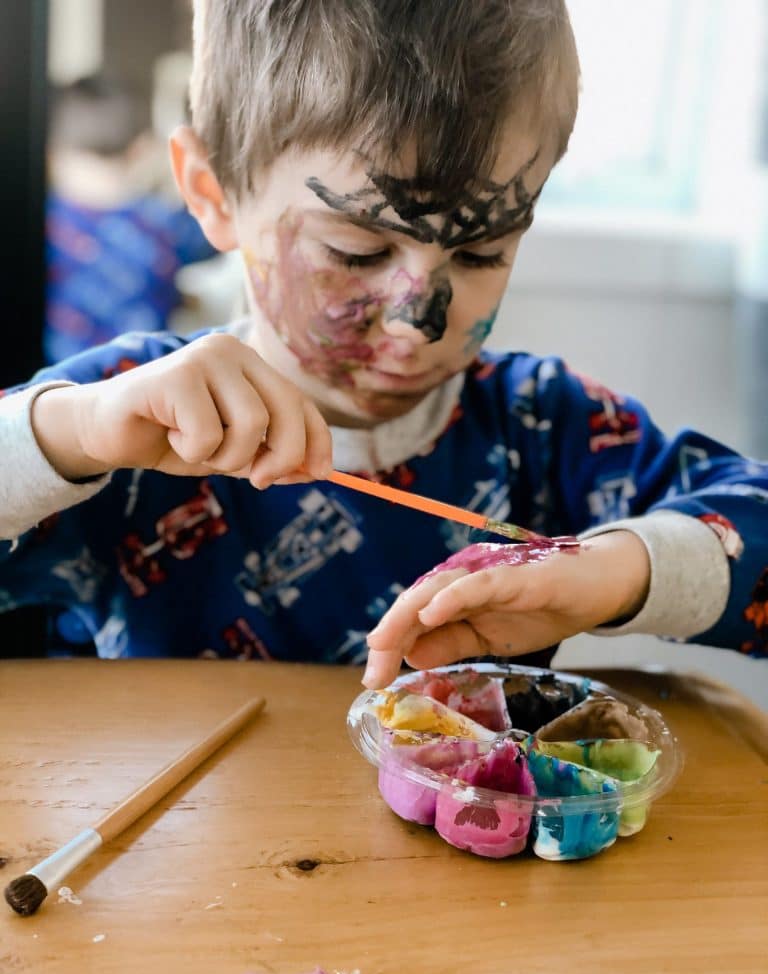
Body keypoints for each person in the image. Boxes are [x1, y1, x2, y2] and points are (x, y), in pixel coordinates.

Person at [0, 0, 765, 677]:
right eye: (356, 252)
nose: (416, 319)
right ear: (212, 192)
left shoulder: (541, 424)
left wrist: (619, 573)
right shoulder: (127, 419)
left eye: (481, 253)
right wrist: (67, 433)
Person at [45, 74, 216, 365]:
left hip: (46, 394)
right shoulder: (164, 225)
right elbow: (218, 231)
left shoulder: (43, 221)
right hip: (144, 390)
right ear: (140, 149)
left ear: (50, 149)